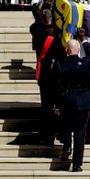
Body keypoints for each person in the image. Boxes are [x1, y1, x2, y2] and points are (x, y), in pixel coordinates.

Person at [54, 38, 90, 172]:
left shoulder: (60, 65)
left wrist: (56, 104)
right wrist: (85, 42)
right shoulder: (84, 63)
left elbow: (56, 86)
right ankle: (77, 164)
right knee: (80, 133)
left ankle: (67, 146)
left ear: (67, 50)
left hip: (67, 99)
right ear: (78, 51)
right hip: (83, 100)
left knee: (66, 126)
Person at [31, 10, 62, 146]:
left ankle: (47, 136)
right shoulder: (58, 33)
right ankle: (57, 132)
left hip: (44, 74)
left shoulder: (38, 31)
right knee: (56, 106)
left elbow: (33, 27)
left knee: (46, 106)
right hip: (57, 74)